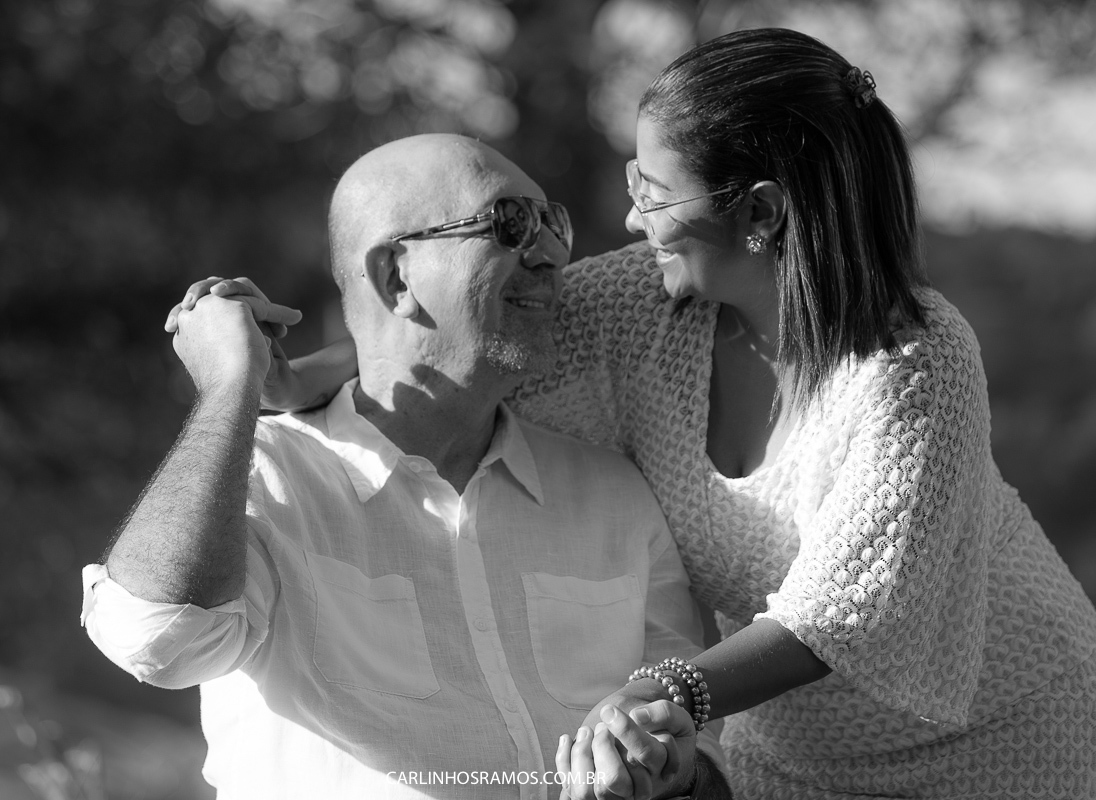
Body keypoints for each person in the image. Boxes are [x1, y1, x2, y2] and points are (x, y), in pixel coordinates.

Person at [177, 27, 1096, 800]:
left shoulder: (913, 358)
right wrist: (292, 377)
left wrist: (661, 688)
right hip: (789, 757)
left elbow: (842, 615)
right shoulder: (646, 305)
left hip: (1003, 736)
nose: (629, 220)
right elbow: (477, 335)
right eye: (630, 183)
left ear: (762, 215)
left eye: (654, 193)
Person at [84, 133, 732, 800]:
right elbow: (157, 639)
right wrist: (230, 387)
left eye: (553, 224)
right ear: (396, 275)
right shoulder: (267, 478)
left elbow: (704, 750)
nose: (547, 256)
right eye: (511, 224)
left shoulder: (614, 495)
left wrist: (672, 773)